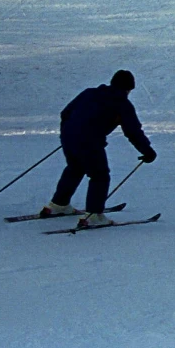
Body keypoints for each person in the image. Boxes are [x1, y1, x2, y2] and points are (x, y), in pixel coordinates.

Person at [42, 69, 157, 228]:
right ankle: (94, 215)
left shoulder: (89, 93)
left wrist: (71, 133)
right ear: (128, 88)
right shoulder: (122, 104)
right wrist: (148, 151)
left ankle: (58, 205)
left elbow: (65, 113)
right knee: (99, 175)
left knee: (75, 168)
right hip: (89, 141)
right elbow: (132, 131)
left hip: (68, 136)